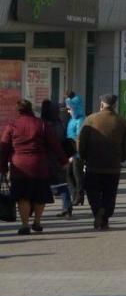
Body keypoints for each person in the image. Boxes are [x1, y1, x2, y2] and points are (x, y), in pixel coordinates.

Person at [0, 99, 68, 234]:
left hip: (19, 166)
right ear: (31, 109)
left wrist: (2, 166)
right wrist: (63, 160)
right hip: (39, 165)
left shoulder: (12, 125)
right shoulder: (41, 124)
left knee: (22, 196)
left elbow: (4, 148)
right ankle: (37, 222)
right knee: (40, 195)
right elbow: (55, 144)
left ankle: (24, 225)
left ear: (18, 110)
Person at [78, 93, 126, 231]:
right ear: (114, 105)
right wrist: (121, 158)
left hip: (93, 165)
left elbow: (81, 143)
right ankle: (105, 220)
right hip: (113, 166)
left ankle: (97, 210)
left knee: (92, 191)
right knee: (110, 193)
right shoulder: (122, 121)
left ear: (101, 104)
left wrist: (84, 157)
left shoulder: (90, 119)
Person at [40, 100, 73, 217]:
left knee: (41, 183)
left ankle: (33, 209)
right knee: (62, 183)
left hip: (46, 157)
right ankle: (67, 207)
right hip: (59, 157)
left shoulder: (44, 124)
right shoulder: (59, 123)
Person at [65, 95, 86, 206]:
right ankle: (76, 194)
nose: (68, 111)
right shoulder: (73, 119)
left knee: (76, 173)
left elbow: (79, 137)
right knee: (70, 173)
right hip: (71, 150)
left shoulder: (80, 120)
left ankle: (79, 195)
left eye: (70, 109)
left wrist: (74, 153)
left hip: (76, 152)